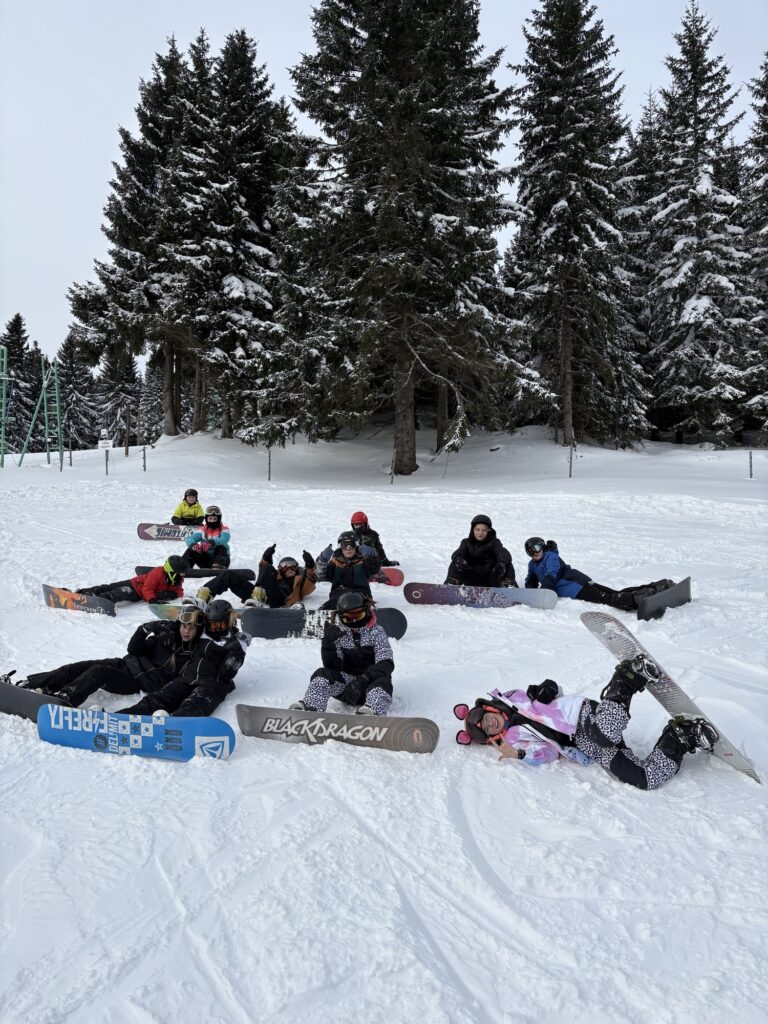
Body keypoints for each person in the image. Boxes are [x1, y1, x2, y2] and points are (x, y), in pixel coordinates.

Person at [453, 658, 718, 790]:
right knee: (641, 778)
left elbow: (553, 689)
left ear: (490, 709)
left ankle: (628, 678)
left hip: (579, 716)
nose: (490, 723)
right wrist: (519, 754)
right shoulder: (514, 739)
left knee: (604, 733)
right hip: (582, 743)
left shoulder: (514, 698)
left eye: (486, 718)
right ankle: (679, 737)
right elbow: (547, 753)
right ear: (492, 737)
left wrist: (547, 688)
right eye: (488, 729)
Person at [12, 603, 208, 707]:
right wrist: (143, 630)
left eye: (191, 628)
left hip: (136, 681)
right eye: (184, 626)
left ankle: (65, 698)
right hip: (125, 664)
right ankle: (34, 683)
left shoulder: (193, 655)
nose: (187, 631)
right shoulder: (165, 638)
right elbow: (134, 650)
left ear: (197, 631)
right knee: (81, 666)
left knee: (98, 672)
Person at [117, 599, 251, 718]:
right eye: (212, 625)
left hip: (211, 686)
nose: (215, 630)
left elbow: (224, 676)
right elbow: (181, 627)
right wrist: (160, 628)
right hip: (186, 679)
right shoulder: (202, 633)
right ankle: (123, 717)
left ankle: (174, 725)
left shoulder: (234, 646)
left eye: (220, 626)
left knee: (192, 706)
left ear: (229, 622)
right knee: (159, 698)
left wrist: (236, 656)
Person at [290, 591, 394, 716]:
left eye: (359, 615)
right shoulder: (339, 633)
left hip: (370, 685)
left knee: (383, 681)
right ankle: (310, 708)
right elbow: (333, 668)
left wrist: (364, 679)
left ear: (366, 612)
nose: (354, 621)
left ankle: (371, 713)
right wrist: (328, 645)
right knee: (322, 674)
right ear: (340, 617)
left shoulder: (376, 632)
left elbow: (386, 663)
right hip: (348, 687)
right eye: (348, 618)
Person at [523, 538, 674, 612]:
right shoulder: (532, 565)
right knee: (615, 593)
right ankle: (655, 587)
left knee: (608, 599)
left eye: (536, 548)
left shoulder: (551, 557)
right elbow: (531, 580)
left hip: (576, 586)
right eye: (530, 551)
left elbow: (552, 574)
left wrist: (544, 592)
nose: (534, 553)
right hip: (580, 582)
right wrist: (530, 591)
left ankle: (640, 598)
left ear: (542, 546)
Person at [197, 546, 317, 609]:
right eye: (285, 566)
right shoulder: (275, 576)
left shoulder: (300, 581)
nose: (289, 569)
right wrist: (266, 558)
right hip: (256, 596)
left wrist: (310, 566)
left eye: (292, 566)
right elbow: (264, 572)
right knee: (229, 575)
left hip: (277, 599)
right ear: (280, 569)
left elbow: (310, 582)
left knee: (267, 568)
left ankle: (259, 598)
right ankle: (203, 597)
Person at [75, 556, 186, 606]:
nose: (183, 575)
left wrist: (171, 594)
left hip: (138, 593)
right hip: (135, 584)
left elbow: (180, 590)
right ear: (172, 571)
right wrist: (153, 599)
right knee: (110, 587)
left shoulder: (177, 580)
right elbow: (147, 589)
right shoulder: (158, 572)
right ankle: (84, 592)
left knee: (122, 592)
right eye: (181, 572)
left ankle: (102, 600)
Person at [445, 515, 516, 587]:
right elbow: (458, 553)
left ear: (488, 531)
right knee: (455, 563)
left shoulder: (495, 542)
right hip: (472, 579)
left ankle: (509, 585)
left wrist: (502, 563)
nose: (480, 533)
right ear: (473, 530)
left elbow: (503, 553)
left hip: (492, 579)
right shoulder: (466, 543)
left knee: (506, 563)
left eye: (484, 530)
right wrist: (459, 560)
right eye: (477, 529)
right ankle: (451, 585)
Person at [316, 531, 381, 609]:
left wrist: (373, 556)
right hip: (338, 595)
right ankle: (321, 614)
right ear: (340, 547)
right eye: (345, 545)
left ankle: (362, 615)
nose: (348, 548)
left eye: (351, 544)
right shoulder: (335, 562)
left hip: (361, 595)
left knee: (354, 607)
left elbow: (375, 569)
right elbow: (322, 575)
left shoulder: (363, 561)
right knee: (331, 605)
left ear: (356, 546)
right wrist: (322, 561)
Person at [181, 505, 231, 570]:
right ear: (206, 519)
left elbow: (223, 540)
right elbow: (190, 538)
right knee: (192, 549)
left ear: (219, 519)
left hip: (222, 559)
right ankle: (183, 567)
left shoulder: (224, 530)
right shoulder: (202, 530)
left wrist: (211, 542)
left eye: (215, 519)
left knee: (221, 547)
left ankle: (218, 566)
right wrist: (193, 545)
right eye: (210, 519)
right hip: (206, 561)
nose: (212, 521)